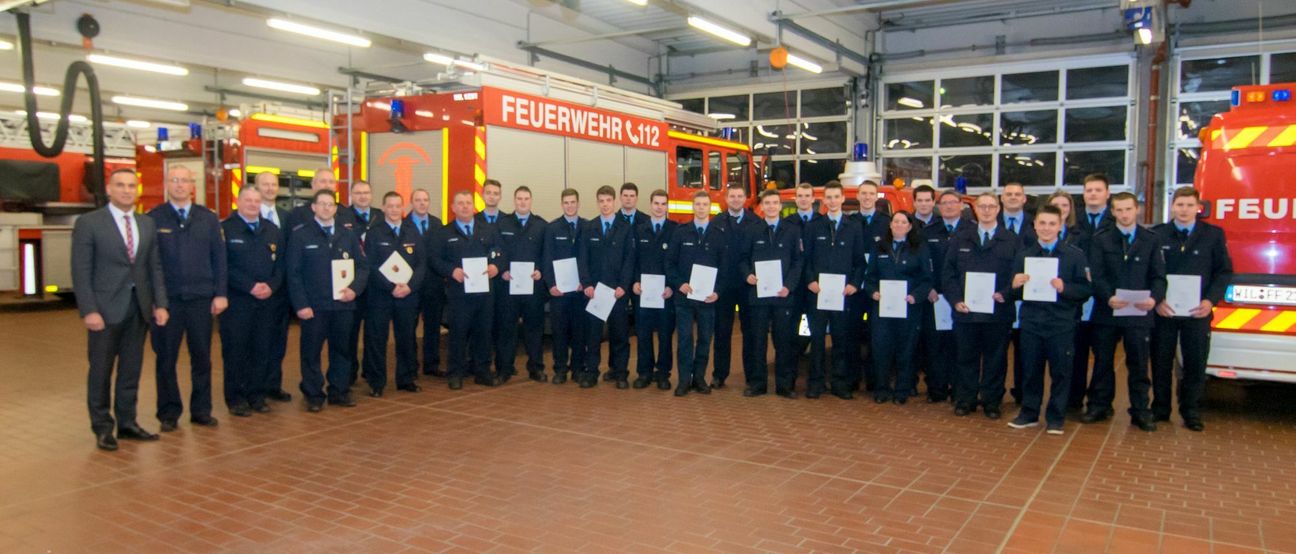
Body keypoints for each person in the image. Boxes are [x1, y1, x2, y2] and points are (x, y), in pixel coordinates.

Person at [72, 168, 170, 451]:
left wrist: (160, 303)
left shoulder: (146, 223)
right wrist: (89, 310)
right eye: (120, 185)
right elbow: (80, 270)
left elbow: (154, 267)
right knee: (101, 371)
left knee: (131, 370)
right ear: (109, 189)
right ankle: (102, 427)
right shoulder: (89, 223)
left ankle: (127, 422)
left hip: (138, 309)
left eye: (131, 185)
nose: (127, 190)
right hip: (104, 311)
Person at [147, 166, 227, 431]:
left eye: (185, 181)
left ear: (193, 185)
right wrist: (156, 301)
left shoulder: (208, 218)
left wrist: (220, 293)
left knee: (202, 357)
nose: (180, 185)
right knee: (166, 359)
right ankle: (168, 413)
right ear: (167, 184)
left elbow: (219, 258)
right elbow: (150, 264)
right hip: (167, 302)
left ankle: (201, 411)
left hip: (201, 300)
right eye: (174, 180)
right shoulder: (154, 218)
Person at [1151, 186, 1232, 432]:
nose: (1184, 210)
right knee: (1160, 361)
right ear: (1172, 207)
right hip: (1164, 311)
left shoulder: (1213, 235)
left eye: (1189, 205)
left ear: (1198, 208)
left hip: (1198, 311)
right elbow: (1150, 272)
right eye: (1180, 205)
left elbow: (1223, 272)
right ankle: (1160, 408)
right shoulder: (1157, 234)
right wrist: (1157, 300)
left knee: (1195, 363)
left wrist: (1210, 301)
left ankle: (1191, 411)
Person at [1084, 192, 1165, 431]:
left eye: (1128, 209)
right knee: (1102, 362)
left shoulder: (1151, 239)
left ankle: (1140, 411)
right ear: (1112, 212)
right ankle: (1099, 406)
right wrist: (1108, 296)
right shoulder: (1101, 239)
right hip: (1107, 310)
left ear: (1136, 209)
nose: (1124, 214)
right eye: (1119, 210)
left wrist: (1154, 299)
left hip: (1139, 312)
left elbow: (1159, 276)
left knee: (1138, 364)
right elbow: (1096, 275)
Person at [1008, 205, 1091, 435]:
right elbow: (1012, 292)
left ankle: (1056, 417)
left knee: (1061, 373)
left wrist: (1065, 288)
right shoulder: (1024, 255)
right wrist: (1014, 285)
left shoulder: (1075, 255)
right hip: (1031, 323)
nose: (1046, 228)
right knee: (1030, 371)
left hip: (1061, 323)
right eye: (1042, 223)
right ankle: (1029, 414)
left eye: (1052, 224)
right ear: (1035, 225)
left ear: (1060, 226)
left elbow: (1086, 290)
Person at [286, 190, 368, 411]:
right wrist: (301, 304)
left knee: (342, 350)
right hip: (314, 307)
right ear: (313, 207)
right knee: (311, 352)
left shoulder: (348, 235)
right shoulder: (300, 235)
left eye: (330, 204)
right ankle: (313, 394)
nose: (326, 208)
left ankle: (339, 391)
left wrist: (354, 290)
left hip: (343, 304)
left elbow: (362, 267)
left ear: (335, 208)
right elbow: (293, 274)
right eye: (322, 204)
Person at [944, 193, 1020, 419]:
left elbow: (1019, 275)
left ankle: (991, 402)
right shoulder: (961, 238)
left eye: (991, 206)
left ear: (998, 209)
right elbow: (948, 273)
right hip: (966, 312)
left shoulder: (1012, 240)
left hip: (998, 312)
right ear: (975, 210)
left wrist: (1006, 294)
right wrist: (956, 300)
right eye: (982, 206)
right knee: (965, 358)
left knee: (996, 360)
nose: (986, 210)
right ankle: (965, 400)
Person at [219, 187, 284, 417]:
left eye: (257, 201)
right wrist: (249, 286)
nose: (253, 204)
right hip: (238, 302)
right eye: (248, 200)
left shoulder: (272, 230)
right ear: (238, 201)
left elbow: (281, 265)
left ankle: (257, 395)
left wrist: (272, 286)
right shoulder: (226, 229)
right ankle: (236, 398)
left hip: (266, 302)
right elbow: (223, 266)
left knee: (262, 350)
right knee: (236, 352)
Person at [431, 191, 505, 390]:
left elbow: (501, 253)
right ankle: (456, 373)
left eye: (468, 203)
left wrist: (496, 266)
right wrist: (451, 270)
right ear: (453, 208)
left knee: (484, 333)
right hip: (459, 294)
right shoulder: (444, 233)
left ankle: (482, 371)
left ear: (474, 206)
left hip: (485, 293)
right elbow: (435, 259)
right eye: (460, 203)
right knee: (458, 334)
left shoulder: (488, 230)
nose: (465, 207)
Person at [804, 181, 868, 399]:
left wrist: (854, 284)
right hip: (818, 293)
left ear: (842, 199)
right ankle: (816, 383)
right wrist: (810, 281)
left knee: (842, 340)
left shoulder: (854, 227)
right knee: (817, 340)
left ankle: (840, 383)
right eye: (828, 197)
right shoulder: (814, 226)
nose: (832, 201)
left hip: (843, 294)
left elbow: (860, 262)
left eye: (835, 197)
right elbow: (805, 259)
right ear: (823, 200)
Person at [864, 211, 933, 404]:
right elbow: (869, 277)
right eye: (896, 221)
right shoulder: (879, 247)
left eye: (904, 222)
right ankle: (882, 389)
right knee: (881, 350)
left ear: (910, 226)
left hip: (909, 308)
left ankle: (902, 390)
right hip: (882, 309)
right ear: (890, 224)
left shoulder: (919, 248)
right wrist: (873, 292)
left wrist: (915, 296)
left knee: (906, 350)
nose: (899, 225)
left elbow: (927, 279)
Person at [362, 191, 425, 397]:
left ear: (403, 208)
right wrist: (390, 287)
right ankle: (376, 382)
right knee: (377, 339)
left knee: (406, 338)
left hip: (407, 295)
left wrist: (410, 286)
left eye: (398, 206)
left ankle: (406, 379)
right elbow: (370, 266)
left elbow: (421, 264)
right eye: (390, 206)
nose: (394, 210)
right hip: (380, 295)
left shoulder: (412, 231)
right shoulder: (374, 233)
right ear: (383, 208)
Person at [741, 189, 803, 398]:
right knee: (757, 341)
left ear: (780, 206)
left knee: (784, 342)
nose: (771, 206)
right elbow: (742, 258)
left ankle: (784, 385)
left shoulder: (792, 230)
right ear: (762, 206)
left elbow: (798, 261)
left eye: (775, 203)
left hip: (783, 295)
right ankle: (758, 384)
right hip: (758, 296)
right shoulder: (752, 230)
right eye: (767, 203)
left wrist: (789, 286)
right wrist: (747, 275)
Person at [667, 191, 725, 396]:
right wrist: (679, 284)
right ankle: (684, 380)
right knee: (684, 340)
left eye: (705, 204)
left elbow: (724, 268)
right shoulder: (681, 232)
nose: (701, 208)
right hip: (684, 298)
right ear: (693, 207)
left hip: (708, 299)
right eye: (698, 204)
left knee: (704, 340)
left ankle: (699, 378)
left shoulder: (718, 234)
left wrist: (717, 291)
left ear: (710, 207)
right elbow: (670, 263)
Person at [580, 185, 637, 389]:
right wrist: (587, 284)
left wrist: (624, 286)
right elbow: (583, 259)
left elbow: (629, 259)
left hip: (617, 293)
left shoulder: (625, 228)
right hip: (595, 293)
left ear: (614, 202)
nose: (605, 204)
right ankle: (591, 373)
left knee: (620, 335)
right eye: (601, 201)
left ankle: (620, 373)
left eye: (608, 200)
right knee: (593, 336)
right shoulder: (589, 227)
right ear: (597, 203)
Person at [1046, 190, 1096, 413]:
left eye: (1064, 205)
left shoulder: (1082, 236)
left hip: (1071, 305)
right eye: (1055, 204)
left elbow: (1086, 271)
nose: (1060, 209)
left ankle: (1074, 400)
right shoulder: (1039, 236)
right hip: (1044, 305)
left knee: (1075, 354)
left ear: (1071, 210)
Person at [918, 189, 967, 403]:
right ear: (939, 207)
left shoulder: (971, 230)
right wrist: (927, 287)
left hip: (961, 298)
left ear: (961, 205)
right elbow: (921, 263)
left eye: (953, 202)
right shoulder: (928, 232)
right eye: (944, 203)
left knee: (960, 345)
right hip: (935, 297)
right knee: (935, 345)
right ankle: (936, 389)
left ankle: (959, 390)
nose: (948, 206)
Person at [1070, 175, 1114, 411]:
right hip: (1077, 297)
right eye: (1089, 190)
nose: (1093, 194)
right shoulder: (1073, 221)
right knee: (1075, 352)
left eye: (1098, 190)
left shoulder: (1116, 220)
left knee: (1104, 355)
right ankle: (1073, 400)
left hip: (1105, 299)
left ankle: (1100, 404)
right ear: (1083, 194)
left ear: (1107, 193)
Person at [497, 186, 549, 383]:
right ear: (514, 200)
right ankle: (504, 369)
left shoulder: (541, 225)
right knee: (506, 329)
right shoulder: (503, 223)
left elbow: (547, 254)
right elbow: (496, 250)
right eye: (519, 198)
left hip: (533, 287)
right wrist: (502, 270)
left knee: (534, 329)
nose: (523, 202)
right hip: (508, 286)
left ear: (531, 201)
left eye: (526, 198)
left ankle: (536, 368)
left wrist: (541, 271)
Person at [712, 185, 759, 390]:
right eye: (732, 196)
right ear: (726, 198)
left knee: (750, 333)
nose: (736, 199)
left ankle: (751, 376)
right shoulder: (716, 222)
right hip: (723, 286)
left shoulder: (756, 222)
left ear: (746, 198)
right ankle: (719, 375)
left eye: (740, 196)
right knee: (722, 332)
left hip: (748, 285)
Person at [631, 189, 677, 389]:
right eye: (656, 203)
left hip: (665, 293)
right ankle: (644, 373)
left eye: (663, 204)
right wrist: (634, 281)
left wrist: (672, 286)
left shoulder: (675, 230)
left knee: (665, 335)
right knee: (643, 334)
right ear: (650, 205)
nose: (659, 207)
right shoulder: (639, 230)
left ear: (667, 206)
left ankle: (663, 374)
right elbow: (632, 260)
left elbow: (679, 262)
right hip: (643, 293)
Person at [254, 171, 293, 403]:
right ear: (257, 187)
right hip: (256, 292)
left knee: (278, 341)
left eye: (273, 184)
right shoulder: (250, 215)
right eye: (265, 184)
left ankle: (273, 385)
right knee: (257, 342)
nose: (270, 188)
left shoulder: (286, 217)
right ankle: (254, 387)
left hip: (281, 291)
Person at [542, 189, 586, 385]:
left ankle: (578, 369)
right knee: (559, 332)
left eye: (573, 202)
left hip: (580, 291)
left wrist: (585, 282)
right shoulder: (552, 228)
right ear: (562, 205)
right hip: (559, 292)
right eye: (566, 203)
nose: (570, 206)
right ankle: (560, 369)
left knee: (579, 332)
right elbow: (546, 258)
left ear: (578, 204)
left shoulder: (587, 227)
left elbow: (590, 258)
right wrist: (551, 285)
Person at [850, 180, 889, 391]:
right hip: (854, 287)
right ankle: (853, 379)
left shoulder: (887, 222)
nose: (866, 197)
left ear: (877, 196)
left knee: (877, 336)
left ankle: (874, 381)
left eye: (871, 193)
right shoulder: (850, 221)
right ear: (857, 196)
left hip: (878, 289)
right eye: (863, 193)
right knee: (852, 334)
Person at [1000, 181, 1035, 405]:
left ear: (1024, 198)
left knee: (1026, 351)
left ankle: (1023, 394)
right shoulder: (990, 222)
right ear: (1002, 198)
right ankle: (995, 393)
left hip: (1028, 296)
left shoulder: (1036, 224)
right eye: (1008, 194)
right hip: (998, 296)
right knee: (997, 350)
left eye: (1017, 194)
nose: (1013, 197)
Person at [337, 180, 374, 383]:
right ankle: (349, 373)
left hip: (376, 283)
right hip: (351, 282)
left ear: (371, 195)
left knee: (374, 332)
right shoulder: (341, 216)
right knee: (350, 332)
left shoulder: (379, 215)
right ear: (351, 195)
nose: (362, 196)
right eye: (358, 193)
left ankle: (370, 369)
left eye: (366, 192)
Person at [407, 189, 446, 379]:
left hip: (433, 283)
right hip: (411, 285)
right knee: (409, 328)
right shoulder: (404, 224)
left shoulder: (438, 224)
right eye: (418, 200)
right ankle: (410, 366)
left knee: (432, 327)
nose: (422, 203)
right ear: (411, 202)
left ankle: (431, 364)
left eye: (425, 200)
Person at [783, 183, 821, 357]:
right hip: (793, 285)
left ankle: (815, 367)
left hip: (815, 284)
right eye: (800, 196)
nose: (803, 199)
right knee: (790, 327)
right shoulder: (787, 223)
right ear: (795, 199)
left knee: (817, 329)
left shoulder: (822, 222)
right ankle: (791, 364)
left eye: (807, 196)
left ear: (813, 199)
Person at [286, 167, 337, 233]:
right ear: (313, 185)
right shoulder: (298, 214)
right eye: (323, 181)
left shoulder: (345, 214)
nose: (327, 186)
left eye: (331, 182)